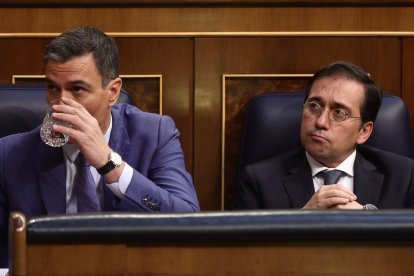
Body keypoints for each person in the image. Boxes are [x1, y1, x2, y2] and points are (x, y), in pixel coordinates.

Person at [0, 26, 199, 267]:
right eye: (53, 87)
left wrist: (109, 163)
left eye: (77, 89)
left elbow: (188, 223)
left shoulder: (155, 135)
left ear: (112, 91)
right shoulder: (10, 153)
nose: (60, 104)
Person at [233, 61, 414, 210]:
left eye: (339, 113)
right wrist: (302, 220)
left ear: (364, 131)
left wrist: (369, 219)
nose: (320, 122)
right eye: (314, 106)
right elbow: (246, 253)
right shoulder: (259, 181)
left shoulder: (404, 176)